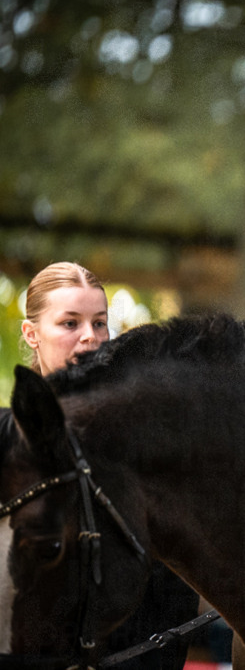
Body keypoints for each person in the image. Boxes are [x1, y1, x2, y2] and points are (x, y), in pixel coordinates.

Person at [1, 262, 200, 667]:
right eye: (70, 323)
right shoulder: (4, 436)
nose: (90, 338)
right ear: (31, 334)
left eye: (100, 323)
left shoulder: (146, 441)